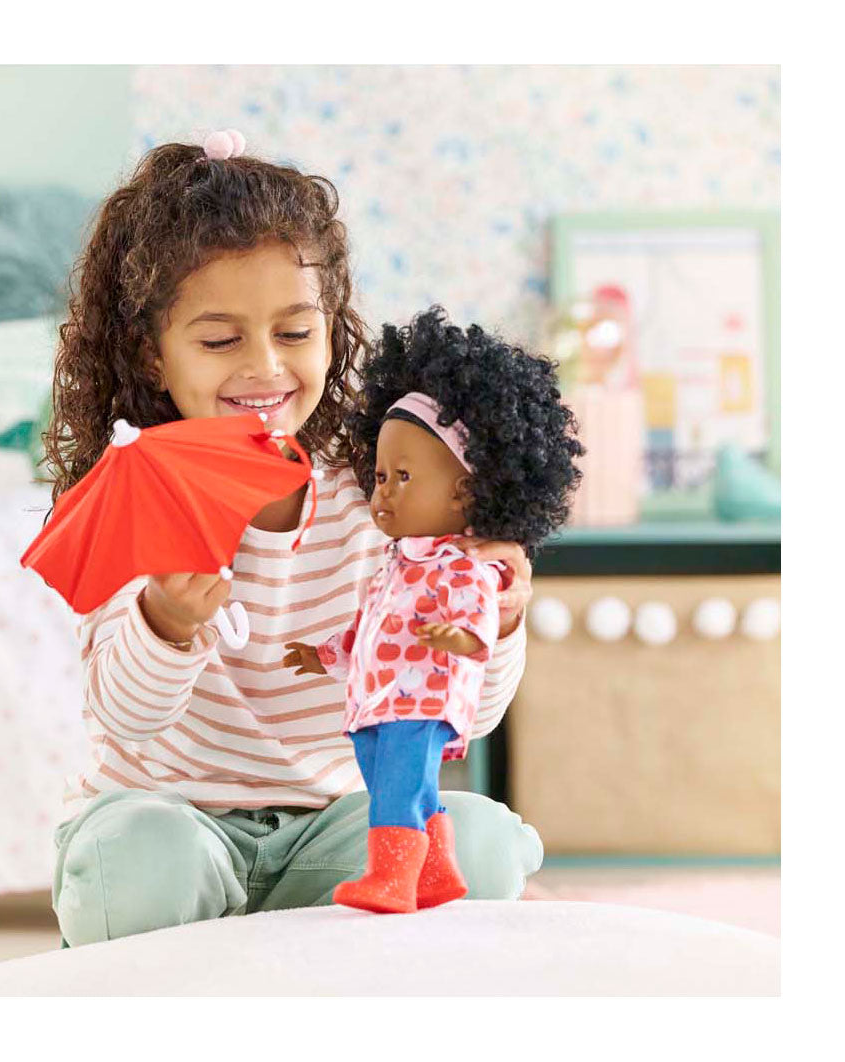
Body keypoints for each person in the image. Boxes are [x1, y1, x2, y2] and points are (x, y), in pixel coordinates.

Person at [41, 133, 543, 947]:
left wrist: (501, 619)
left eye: (296, 333)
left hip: (338, 828)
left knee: (477, 845)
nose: (265, 368)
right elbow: (125, 717)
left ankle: (311, 951)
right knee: (135, 861)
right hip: (176, 822)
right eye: (219, 340)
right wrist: (167, 623)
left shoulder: (382, 494)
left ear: (332, 331)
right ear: (151, 353)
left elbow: (464, 713)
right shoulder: (137, 491)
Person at [285, 307, 584, 913]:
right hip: (376, 699)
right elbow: (367, 630)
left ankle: (391, 878)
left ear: (464, 493)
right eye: (379, 476)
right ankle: (438, 871)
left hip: (417, 698)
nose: (382, 493)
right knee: (400, 785)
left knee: (398, 788)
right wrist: (321, 656)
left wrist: (463, 639)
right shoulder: (396, 563)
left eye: (402, 476)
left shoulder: (460, 565)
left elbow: (477, 620)